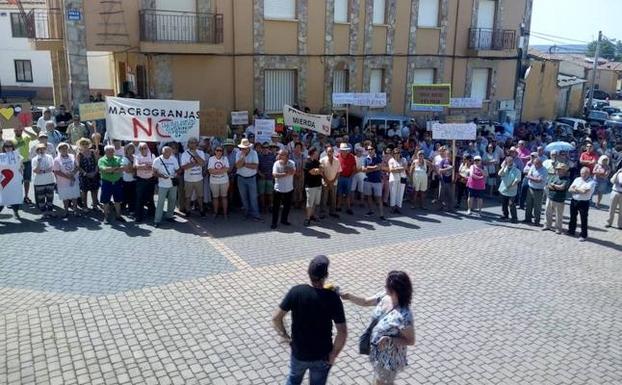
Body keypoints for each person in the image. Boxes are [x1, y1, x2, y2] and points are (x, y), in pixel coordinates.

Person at [272, 255, 347, 385]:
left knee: (293, 379)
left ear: (309, 274)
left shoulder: (296, 291)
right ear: (326, 275)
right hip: (322, 355)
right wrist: (333, 354)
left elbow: (276, 318)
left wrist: (286, 337)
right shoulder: (333, 298)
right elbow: (342, 332)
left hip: (299, 353)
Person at [341, 271, 415, 385]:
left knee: (381, 382)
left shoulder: (405, 315)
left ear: (395, 290)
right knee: (380, 381)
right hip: (377, 351)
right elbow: (365, 302)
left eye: (387, 285)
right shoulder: (384, 296)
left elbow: (410, 340)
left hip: (389, 358)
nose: (384, 286)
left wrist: (390, 340)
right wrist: (348, 296)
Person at [152, 146, 180, 227]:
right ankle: (157, 220)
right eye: (166, 152)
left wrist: (176, 174)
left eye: (169, 152)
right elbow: (153, 173)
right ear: (162, 152)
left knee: (172, 200)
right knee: (160, 202)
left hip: (172, 184)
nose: (168, 154)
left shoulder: (173, 159)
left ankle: (169, 216)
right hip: (162, 185)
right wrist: (161, 176)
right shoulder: (157, 160)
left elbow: (178, 169)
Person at [98, 145, 126, 224]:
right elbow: (104, 169)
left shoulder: (118, 158)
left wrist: (110, 169)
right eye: (109, 151)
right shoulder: (101, 160)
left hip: (117, 182)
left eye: (112, 151)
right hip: (106, 183)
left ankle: (118, 216)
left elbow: (123, 168)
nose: (111, 152)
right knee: (106, 201)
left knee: (118, 200)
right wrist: (115, 169)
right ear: (105, 151)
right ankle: (106, 217)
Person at [567, 167, 597, 241]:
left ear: (588, 173)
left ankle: (583, 235)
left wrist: (576, 189)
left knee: (583, 219)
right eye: (582, 173)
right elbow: (570, 189)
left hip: (584, 202)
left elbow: (584, 192)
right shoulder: (577, 179)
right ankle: (571, 231)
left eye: (584, 173)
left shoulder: (591, 182)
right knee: (572, 217)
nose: (583, 175)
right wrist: (579, 190)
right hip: (574, 200)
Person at [236, 138, 261, 221]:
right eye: (242, 148)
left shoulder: (254, 153)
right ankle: (247, 213)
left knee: (253, 197)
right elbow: (237, 166)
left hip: (251, 178)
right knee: (244, 197)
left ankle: (255, 215)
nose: (243, 149)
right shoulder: (238, 153)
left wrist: (244, 164)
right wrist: (242, 158)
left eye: (245, 148)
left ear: (248, 147)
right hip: (241, 178)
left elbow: (255, 166)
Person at [52, 143, 81, 218]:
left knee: (74, 196)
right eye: (62, 148)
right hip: (63, 182)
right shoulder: (56, 159)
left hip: (74, 179)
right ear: (59, 150)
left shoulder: (72, 156)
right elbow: (56, 171)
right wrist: (68, 177)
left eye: (65, 148)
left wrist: (73, 174)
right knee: (65, 197)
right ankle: (66, 211)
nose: (64, 150)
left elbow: (77, 166)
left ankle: (75, 210)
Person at [180, 137, 207, 216]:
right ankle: (188, 210)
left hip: (199, 178)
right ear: (188, 144)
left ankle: (201, 210)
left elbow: (203, 164)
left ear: (197, 144)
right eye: (191, 143)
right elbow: (184, 167)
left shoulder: (200, 152)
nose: (192, 144)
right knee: (187, 196)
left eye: (194, 142)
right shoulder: (184, 154)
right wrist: (195, 163)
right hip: (188, 179)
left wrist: (196, 155)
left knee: (200, 196)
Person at [271, 149, 296, 229]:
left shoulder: (292, 163)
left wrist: (286, 172)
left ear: (286, 156)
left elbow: (293, 172)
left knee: (287, 206)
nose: (279, 156)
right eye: (279, 154)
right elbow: (275, 175)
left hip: (289, 189)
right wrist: (285, 174)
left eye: (281, 154)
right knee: (276, 207)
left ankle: (284, 220)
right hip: (278, 189)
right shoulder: (276, 163)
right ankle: (274, 222)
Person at [542, 163, 570, 234]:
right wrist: (556, 186)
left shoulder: (566, 179)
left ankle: (558, 228)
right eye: (557, 169)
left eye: (559, 170)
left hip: (559, 200)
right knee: (548, 213)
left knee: (558, 215)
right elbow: (548, 185)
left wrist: (553, 185)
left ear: (564, 171)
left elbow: (562, 187)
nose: (557, 171)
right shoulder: (553, 177)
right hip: (550, 197)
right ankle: (547, 225)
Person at [133, 143, 156, 223]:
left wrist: (142, 166)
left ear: (147, 148)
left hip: (150, 179)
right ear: (139, 149)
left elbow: (155, 166)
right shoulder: (137, 156)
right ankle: (138, 216)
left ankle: (151, 213)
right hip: (141, 180)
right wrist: (145, 166)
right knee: (139, 198)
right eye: (142, 148)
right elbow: (135, 166)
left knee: (150, 197)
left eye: (145, 148)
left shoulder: (152, 155)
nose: (143, 149)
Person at [32, 143, 55, 218]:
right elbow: (36, 171)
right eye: (39, 149)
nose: (41, 150)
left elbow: (52, 168)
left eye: (43, 149)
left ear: (45, 149)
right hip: (39, 182)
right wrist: (39, 163)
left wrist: (43, 171)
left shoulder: (50, 157)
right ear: (37, 151)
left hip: (50, 180)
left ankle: (50, 211)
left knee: (50, 197)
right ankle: (44, 212)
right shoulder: (34, 159)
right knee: (41, 198)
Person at [12, 126, 35, 204]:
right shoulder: (11, 141)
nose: (18, 131)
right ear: (14, 131)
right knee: (17, 182)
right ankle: (15, 197)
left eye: (20, 130)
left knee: (27, 181)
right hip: (17, 164)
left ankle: (26, 197)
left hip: (27, 162)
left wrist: (25, 130)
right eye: (16, 130)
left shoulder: (26, 138)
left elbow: (35, 136)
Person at [0, 140, 23, 218]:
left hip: (14, 181)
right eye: (6, 146)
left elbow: (21, 166)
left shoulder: (17, 156)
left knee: (15, 196)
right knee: (2, 197)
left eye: (10, 146)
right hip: (4, 180)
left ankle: (15, 212)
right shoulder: (1, 156)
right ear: (4, 148)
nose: (8, 148)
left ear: (13, 147)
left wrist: (21, 168)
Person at [76, 138, 100, 210]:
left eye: (86, 144)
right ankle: (85, 206)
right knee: (84, 191)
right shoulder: (79, 154)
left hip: (94, 174)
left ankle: (95, 205)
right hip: (84, 175)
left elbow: (97, 163)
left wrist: (95, 172)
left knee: (94, 190)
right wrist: (86, 173)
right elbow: (78, 166)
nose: (85, 145)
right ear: (80, 145)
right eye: (83, 144)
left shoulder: (93, 152)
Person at [363, 146, 386, 220]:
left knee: (378, 198)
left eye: (371, 149)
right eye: (368, 149)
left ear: (374, 150)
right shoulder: (366, 158)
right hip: (368, 180)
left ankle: (381, 215)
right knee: (369, 197)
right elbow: (364, 169)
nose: (370, 150)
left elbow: (379, 167)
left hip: (377, 181)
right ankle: (370, 211)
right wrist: (374, 168)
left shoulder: (378, 158)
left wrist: (369, 168)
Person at [207, 146, 230, 219]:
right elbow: (210, 171)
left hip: (224, 180)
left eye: (220, 150)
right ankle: (215, 212)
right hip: (214, 181)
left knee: (224, 197)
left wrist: (215, 171)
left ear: (222, 151)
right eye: (217, 150)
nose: (219, 152)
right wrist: (221, 170)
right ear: (215, 151)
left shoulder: (225, 158)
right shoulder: (211, 159)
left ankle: (225, 213)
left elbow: (227, 169)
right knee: (215, 197)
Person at [523, 158, 547, 226]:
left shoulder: (544, 170)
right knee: (528, 205)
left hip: (538, 190)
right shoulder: (533, 167)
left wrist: (531, 178)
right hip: (530, 188)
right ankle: (527, 219)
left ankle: (537, 221)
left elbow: (539, 180)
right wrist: (533, 178)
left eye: (536, 164)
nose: (535, 165)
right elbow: (529, 174)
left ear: (540, 163)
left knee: (537, 207)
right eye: (534, 163)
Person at [320, 146, 341, 219]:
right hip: (325, 182)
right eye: (328, 151)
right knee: (324, 198)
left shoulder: (337, 160)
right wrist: (327, 180)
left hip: (334, 182)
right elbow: (321, 172)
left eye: (331, 151)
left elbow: (338, 172)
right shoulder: (322, 160)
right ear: (326, 152)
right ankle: (322, 212)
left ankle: (333, 212)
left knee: (333, 198)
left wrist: (333, 181)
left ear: (333, 152)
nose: (330, 153)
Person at [498, 156, 521, 223]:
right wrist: (503, 167)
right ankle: (505, 215)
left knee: (511, 204)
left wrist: (510, 186)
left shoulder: (517, 171)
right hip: (503, 189)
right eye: (507, 161)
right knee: (504, 203)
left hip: (511, 190)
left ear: (512, 162)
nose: (509, 162)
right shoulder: (505, 168)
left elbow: (517, 180)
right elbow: (499, 174)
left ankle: (514, 218)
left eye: (510, 161)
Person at [303, 148, 322, 226]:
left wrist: (317, 170)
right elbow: (312, 172)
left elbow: (321, 170)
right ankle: (307, 218)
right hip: (310, 186)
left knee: (315, 202)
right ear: (312, 153)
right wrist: (318, 170)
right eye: (316, 153)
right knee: (309, 203)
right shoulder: (307, 162)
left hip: (318, 185)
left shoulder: (317, 162)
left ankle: (312, 215)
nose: (318, 154)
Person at [336, 143, 356, 215]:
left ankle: (348, 208)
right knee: (339, 193)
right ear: (340, 150)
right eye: (343, 150)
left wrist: (351, 177)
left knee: (348, 194)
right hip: (340, 177)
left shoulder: (352, 157)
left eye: (345, 150)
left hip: (348, 177)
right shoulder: (337, 156)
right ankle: (338, 206)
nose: (344, 151)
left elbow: (354, 168)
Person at [257, 142, 276, 214]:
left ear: (269, 148)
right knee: (261, 193)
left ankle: (270, 206)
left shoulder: (272, 156)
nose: (265, 149)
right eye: (264, 147)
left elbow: (275, 166)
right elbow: (256, 167)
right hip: (261, 177)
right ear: (262, 148)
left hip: (270, 177)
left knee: (270, 193)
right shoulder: (258, 156)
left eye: (267, 147)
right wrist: (260, 174)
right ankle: (263, 207)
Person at [388, 148, 408, 214]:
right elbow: (391, 170)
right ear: (393, 154)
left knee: (400, 193)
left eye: (398, 153)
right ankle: (392, 208)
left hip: (402, 178)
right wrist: (401, 168)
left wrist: (396, 169)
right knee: (393, 193)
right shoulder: (391, 160)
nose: (397, 154)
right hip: (393, 179)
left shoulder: (404, 159)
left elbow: (405, 167)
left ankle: (399, 207)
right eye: (395, 153)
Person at [121, 143, 137, 216]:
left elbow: (136, 167)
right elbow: (126, 170)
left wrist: (132, 168)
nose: (131, 150)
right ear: (126, 150)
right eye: (129, 149)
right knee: (125, 195)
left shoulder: (135, 157)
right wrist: (134, 170)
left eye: (132, 148)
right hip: (126, 180)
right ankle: (122, 208)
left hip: (134, 180)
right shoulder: (124, 159)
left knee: (133, 196)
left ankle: (131, 210)